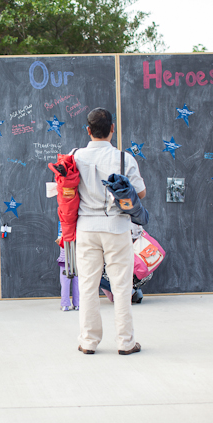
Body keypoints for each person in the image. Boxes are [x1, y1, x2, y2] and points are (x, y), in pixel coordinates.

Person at [74, 108, 146, 355]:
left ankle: (88, 342)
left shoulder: (75, 156)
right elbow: (141, 192)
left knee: (87, 285)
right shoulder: (124, 158)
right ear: (112, 129)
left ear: (88, 130)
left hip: (86, 228)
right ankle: (125, 343)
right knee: (122, 287)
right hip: (116, 227)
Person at [56, 242, 79, 311]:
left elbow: (60, 241)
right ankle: (78, 304)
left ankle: (65, 305)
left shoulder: (63, 230)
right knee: (77, 281)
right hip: (77, 256)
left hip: (65, 256)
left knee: (65, 281)